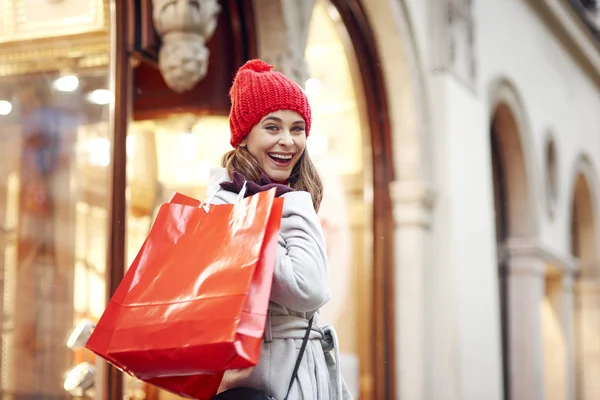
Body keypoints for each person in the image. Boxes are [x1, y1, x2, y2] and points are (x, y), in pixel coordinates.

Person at [207, 59, 352, 400]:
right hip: (275, 373)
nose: (287, 141)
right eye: (272, 127)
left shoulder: (267, 196)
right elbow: (308, 288)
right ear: (243, 137)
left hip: (286, 366)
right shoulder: (231, 205)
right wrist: (297, 203)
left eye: (297, 128)